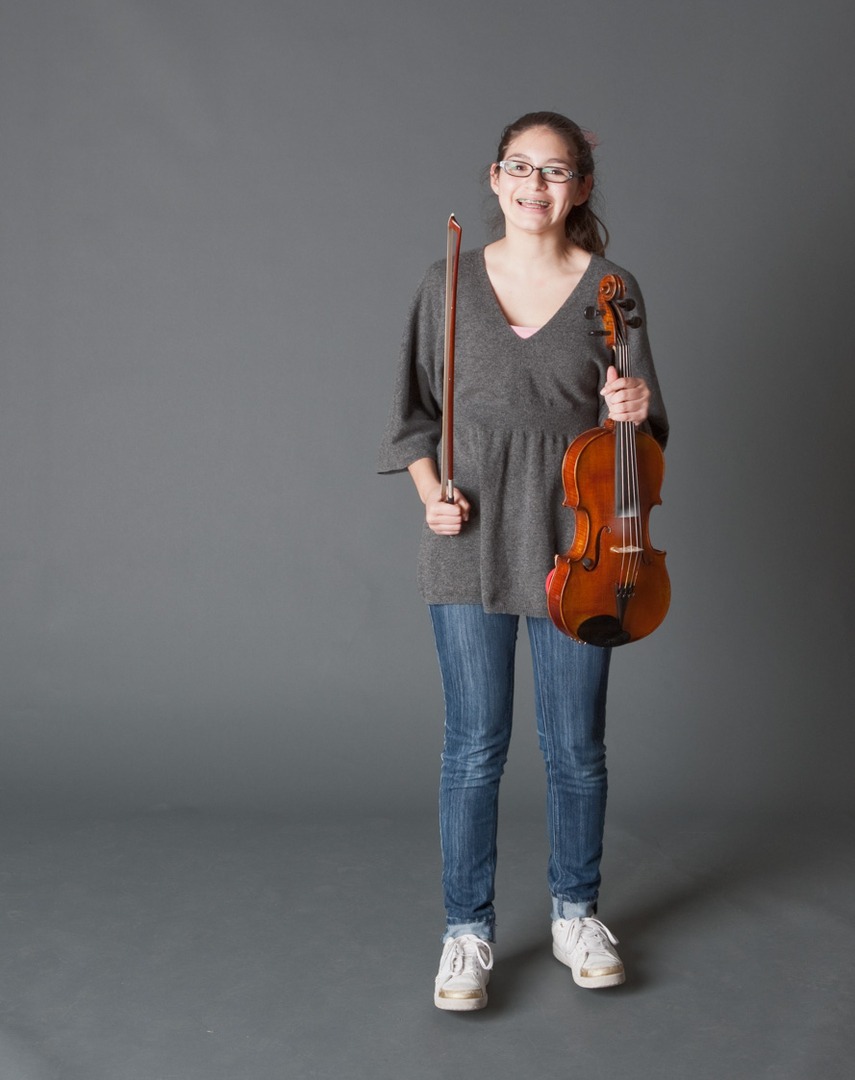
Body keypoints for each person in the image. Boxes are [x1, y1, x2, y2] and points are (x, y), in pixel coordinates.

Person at [377, 111, 668, 1011]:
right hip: (469, 544)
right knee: (474, 748)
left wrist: (632, 405)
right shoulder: (446, 284)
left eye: (555, 172)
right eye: (519, 168)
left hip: (581, 548)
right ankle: (466, 932)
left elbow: (646, 442)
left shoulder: (611, 287)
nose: (535, 186)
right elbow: (414, 417)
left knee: (576, 749)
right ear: (494, 178)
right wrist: (430, 493)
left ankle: (576, 913)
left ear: (579, 187)